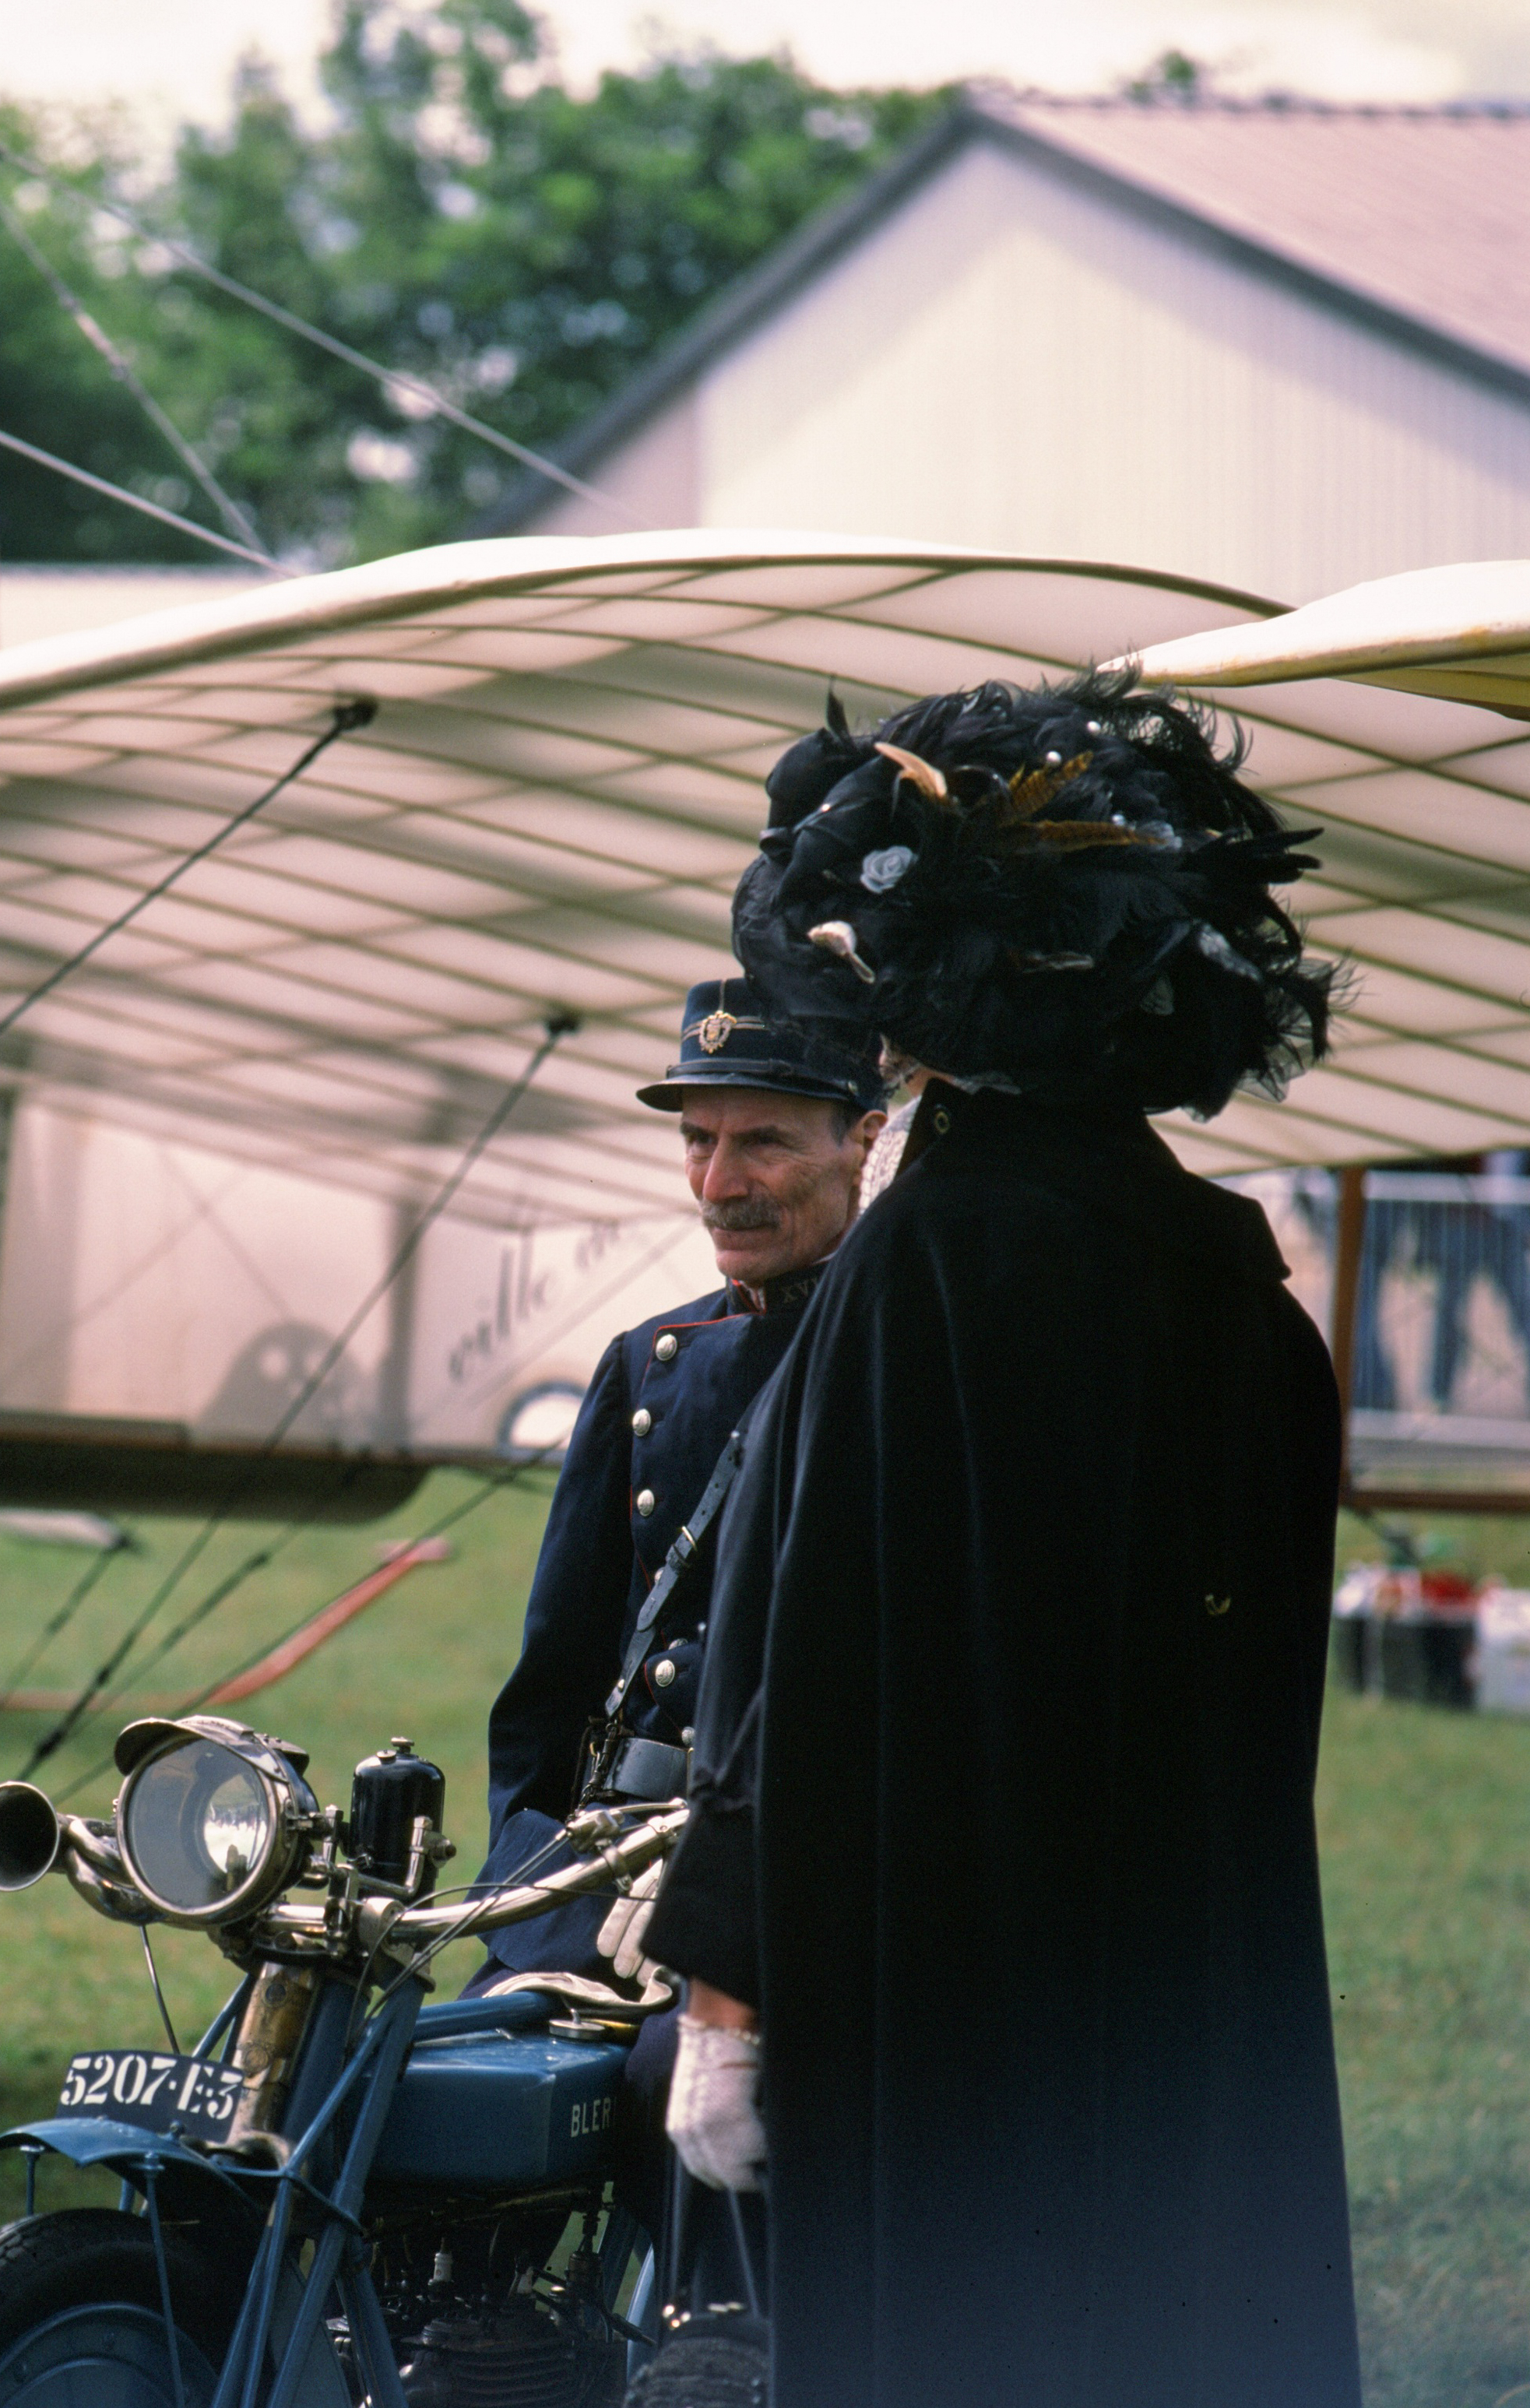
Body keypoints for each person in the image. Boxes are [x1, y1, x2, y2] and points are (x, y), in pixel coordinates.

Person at [639, 671, 1361, 2408]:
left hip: (942, 1982)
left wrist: (725, 1997)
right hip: (1185, 1979)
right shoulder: (1240, 1293)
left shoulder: (927, 1262)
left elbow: (796, 1661)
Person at [470, 977, 882, 2241]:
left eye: (762, 1139)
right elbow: (549, 1700)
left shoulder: (905, 1365)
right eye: (696, 1139)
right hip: (608, 1872)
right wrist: (530, 1919)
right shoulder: (649, 1360)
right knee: (442, 2076)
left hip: (784, 1896)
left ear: (864, 1133)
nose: (717, 1183)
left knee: (673, 2103)